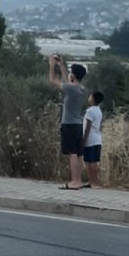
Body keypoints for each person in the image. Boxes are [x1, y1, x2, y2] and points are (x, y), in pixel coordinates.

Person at [48, 54, 87, 190]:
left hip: (69, 124)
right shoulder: (81, 89)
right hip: (78, 124)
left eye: (71, 73)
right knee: (78, 153)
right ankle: (79, 180)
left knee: (72, 153)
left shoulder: (72, 89)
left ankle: (75, 181)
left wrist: (52, 65)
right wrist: (62, 66)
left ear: (74, 75)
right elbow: (67, 82)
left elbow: (53, 80)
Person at [82, 91, 104, 189]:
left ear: (93, 99)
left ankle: (92, 182)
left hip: (90, 139)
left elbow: (88, 127)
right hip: (98, 138)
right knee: (94, 161)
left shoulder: (90, 111)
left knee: (90, 161)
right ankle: (93, 181)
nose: (89, 97)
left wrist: (84, 139)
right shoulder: (99, 110)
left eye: (90, 96)